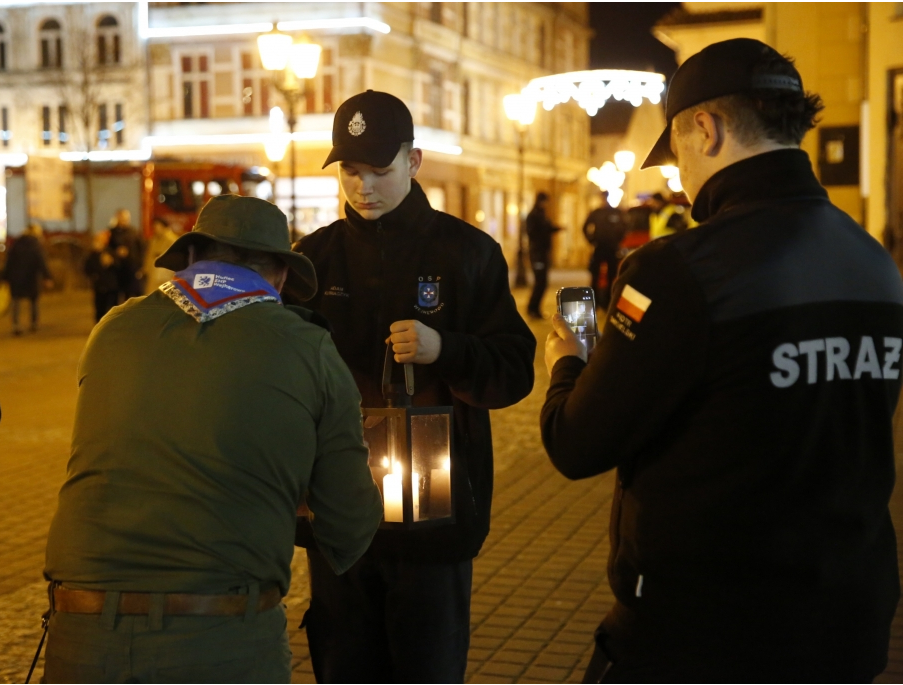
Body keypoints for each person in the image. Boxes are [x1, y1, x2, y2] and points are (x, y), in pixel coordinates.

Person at [541, 38, 903, 682]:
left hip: (708, 631)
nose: (679, 176)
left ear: (705, 129)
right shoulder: (873, 260)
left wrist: (568, 361)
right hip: (850, 619)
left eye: (676, 152)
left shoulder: (678, 270)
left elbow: (576, 442)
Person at [43, 195, 383, 683]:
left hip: (81, 636)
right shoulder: (307, 346)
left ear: (190, 260)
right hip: (221, 639)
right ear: (281, 277)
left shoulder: (113, 328)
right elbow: (348, 522)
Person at [287, 90, 536, 683]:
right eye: (350, 170)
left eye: (380, 169)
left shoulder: (468, 253)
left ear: (414, 161)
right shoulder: (311, 260)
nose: (363, 186)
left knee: (427, 668)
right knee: (344, 666)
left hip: (434, 521)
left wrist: (444, 349)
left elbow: (514, 370)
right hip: (340, 515)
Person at [2, 222, 53, 335]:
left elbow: (9, 262)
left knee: (16, 302)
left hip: (16, 278)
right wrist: (47, 277)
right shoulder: (36, 245)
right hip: (31, 278)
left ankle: (16, 325)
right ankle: (34, 324)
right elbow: (41, 262)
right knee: (34, 301)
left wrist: (5, 277)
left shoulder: (16, 244)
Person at [581, 192, 627, 309]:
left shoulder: (616, 212)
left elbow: (624, 227)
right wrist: (591, 240)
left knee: (612, 275)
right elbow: (585, 227)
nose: (603, 200)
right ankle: (594, 302)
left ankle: (607, 302)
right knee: (595, 275)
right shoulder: (596, 213)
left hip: (612, 248)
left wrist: (618, 241)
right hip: (599, 247)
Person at [525, 191, 561, 319]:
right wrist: (546, 232)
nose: (547, 204)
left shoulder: (541, 214)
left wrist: (556, 228)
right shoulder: (534, 215)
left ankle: (536, 309)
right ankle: (532, 309)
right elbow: (533, 232)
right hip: (537, 253)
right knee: (540, 282)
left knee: (543, 282)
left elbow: (547, 228)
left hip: (543, 252)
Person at [83, 230, 120, 323]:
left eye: (99, 241)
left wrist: (112, 262)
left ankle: (111, 326)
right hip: (99, 286)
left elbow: (119, 266)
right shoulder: (92, 255)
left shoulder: (110, 252)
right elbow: (87, 268)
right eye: (96, 241)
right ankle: (99, 326)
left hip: (111, 286)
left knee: (112, 308)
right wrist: (93, 275)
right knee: (99, 309)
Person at [107, 209, 144, 301]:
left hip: (131, 269)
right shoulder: (112, 233)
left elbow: (141, 249)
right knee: (115, 298)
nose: (124, 221)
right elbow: (107, 248)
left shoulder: (134, 232)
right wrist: (116, 253)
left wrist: (140, 265)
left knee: (131, 296)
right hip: (116, 270)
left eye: (126, 219)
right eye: (122, 218)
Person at [144, 217, 180, 291]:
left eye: (157, 226)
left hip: (165, 274)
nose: (155, 229)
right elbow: (149, 255)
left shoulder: (171, 239)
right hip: (154, 273)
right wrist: (146, 269)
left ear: (163, 227)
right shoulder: (154, 239)